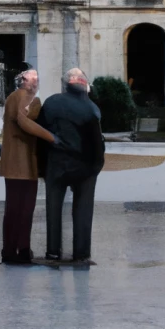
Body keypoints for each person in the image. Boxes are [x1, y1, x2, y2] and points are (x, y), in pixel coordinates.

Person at [37, 68, 105, 263]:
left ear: (66, 84)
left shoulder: (51, 102)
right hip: (85, 165)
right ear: (84, 84)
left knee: (53, 208)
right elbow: (96, 142)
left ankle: (53, 251)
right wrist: (97, 165)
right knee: (83, 210)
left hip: (56, 163)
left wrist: (42, 165)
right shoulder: (92, 108)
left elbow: (40, 135)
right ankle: (81, 253)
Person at [0, 68, 57, 264]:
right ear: (23, 80)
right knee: (22, 208)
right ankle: (18, 250)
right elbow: (24, 121)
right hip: (22, 162)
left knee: (17, 208)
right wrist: (52, 138)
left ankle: (14, 248)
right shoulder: (26, 98)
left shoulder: (15, 97)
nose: (36, 82)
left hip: (16, 162)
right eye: (33, 79)